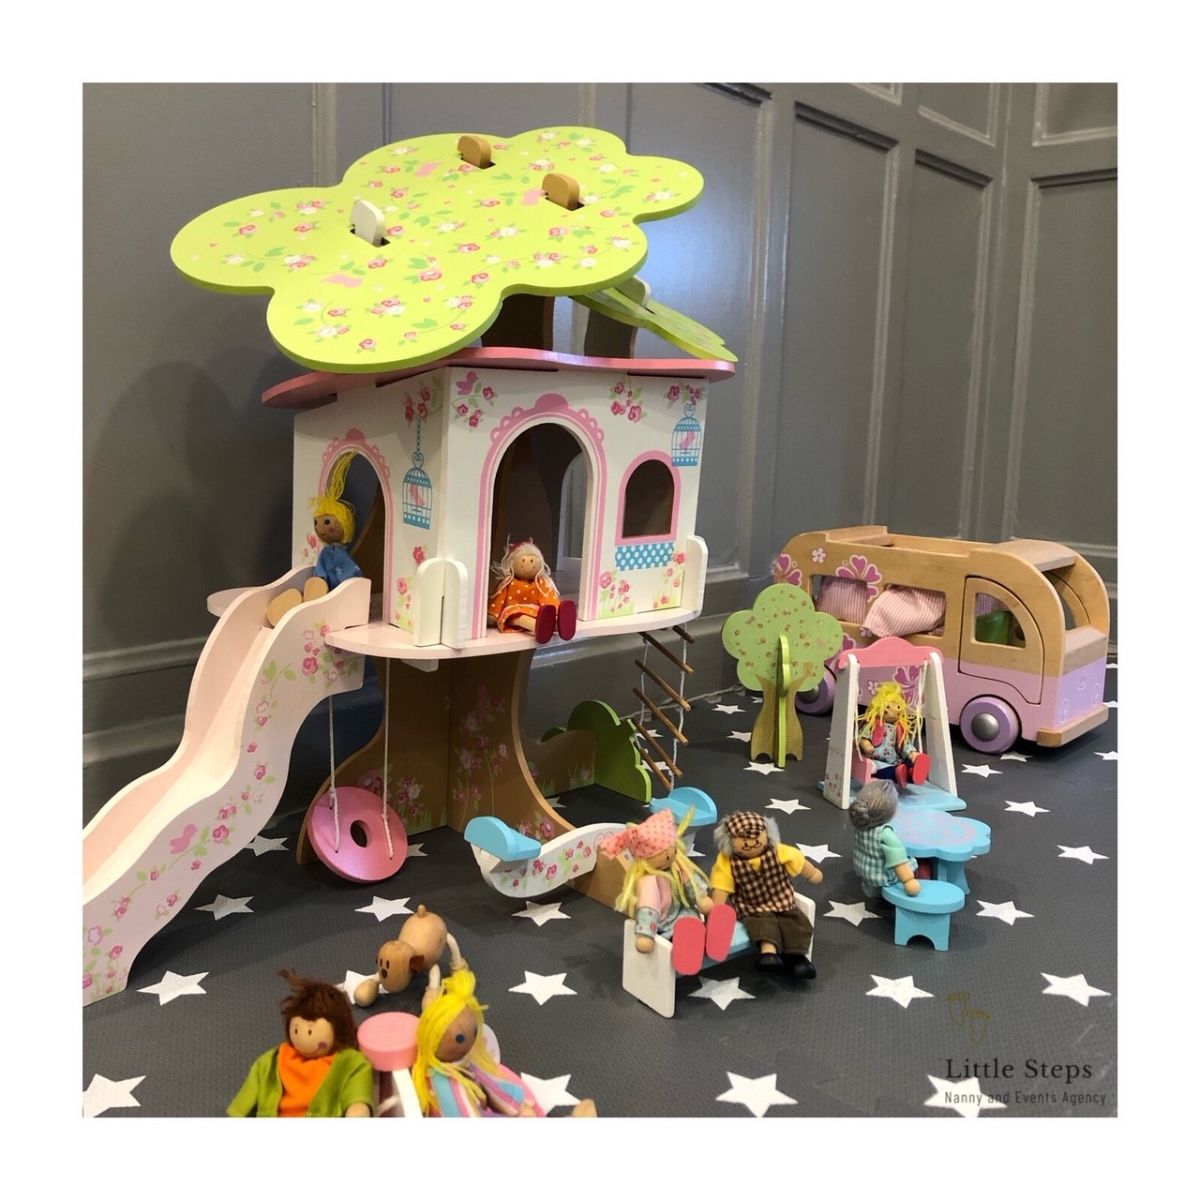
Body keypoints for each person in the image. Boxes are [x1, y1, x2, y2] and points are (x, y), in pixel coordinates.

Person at [599, 807, 734, 975]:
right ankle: (693, 947)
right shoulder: (648, 881)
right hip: (664, 924)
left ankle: (712, 938)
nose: (671, 855)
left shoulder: (678, 866)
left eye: (673, 850)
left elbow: (691, 883)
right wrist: (646, 934)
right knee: (686, 929)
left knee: (691, 922)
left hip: (684, 914)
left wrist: (702, 899)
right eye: (666, 854)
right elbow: (648, 908)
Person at [228, 970, 373, 1117]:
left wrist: (357, 1108)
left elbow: (357, 1094)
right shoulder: (273, 1060)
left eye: (310, 1031)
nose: (303, 1037)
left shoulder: (350, 1062)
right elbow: (247, 1097)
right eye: (296, 1030)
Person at [709, 811, 822, 977]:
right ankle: (768, 954)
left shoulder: (778, 851)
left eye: (756, 838)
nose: (751, 843)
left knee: (796, 923)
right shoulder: (728, 862)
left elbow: (797, 858)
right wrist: (716, 908)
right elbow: (721, 884)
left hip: (783, 900)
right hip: (753, 907)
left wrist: (812, 873)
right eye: (744, 840)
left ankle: (796, 958)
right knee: (762, 926)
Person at [267, 454, 363, 627]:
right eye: (317, 523)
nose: (320, 528)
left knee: (320, 591)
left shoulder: (339, 555)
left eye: (326, 523)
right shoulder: (327, 552)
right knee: (315, 587)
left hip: (335, 594)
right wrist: (317, 582)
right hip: (323, 590)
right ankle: (296, 604)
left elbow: (349, 575)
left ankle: (302, 605)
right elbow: (320, 571)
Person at [487, 539, 576, 643]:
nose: (527, 565)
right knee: (522, 619)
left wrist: (556, 609)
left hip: (536, 612)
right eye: (523, 561)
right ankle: (542, 627)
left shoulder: (540, 582)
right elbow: (499, 598)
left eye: (532, 561)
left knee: (544, 620)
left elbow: (547, 596)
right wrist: (493, 615)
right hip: (514, 612)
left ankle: (560, 624)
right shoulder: (508, 582)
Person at [849, 779, 921, 901]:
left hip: (864, 871)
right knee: (917, 864)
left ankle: (871, 889)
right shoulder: (885, 834)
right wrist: (908, 881)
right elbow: (898, 862)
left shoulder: (860, 825)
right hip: (883, 877)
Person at [857, 681, 930, 789]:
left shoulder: (899, 728)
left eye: (898, 707)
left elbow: (904, 744)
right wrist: (866, 745)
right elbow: (863, 737)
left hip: (897, 761)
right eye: (887, 708)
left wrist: (912, 754)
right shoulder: (873, 725)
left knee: (907, 763)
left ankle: (913, 772)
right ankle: (902, 774)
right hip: (878, 762)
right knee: (888, 772)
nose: (893, 712)